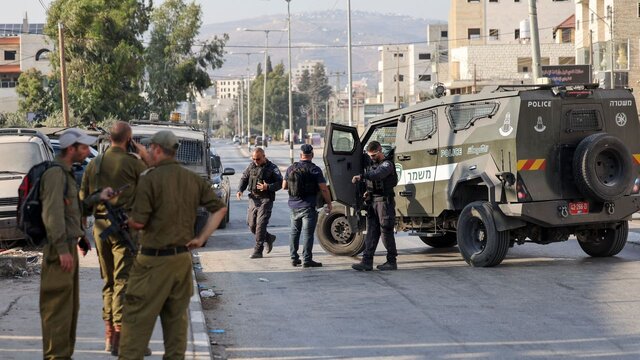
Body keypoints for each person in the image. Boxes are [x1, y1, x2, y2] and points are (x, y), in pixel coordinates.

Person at [117, 130, 227, 359]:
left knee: (135, 328)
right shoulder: (192, 179)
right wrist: (201, 237)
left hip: (152, 263)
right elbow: (220, 209)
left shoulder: (149, 179)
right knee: (176, 332)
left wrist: (127, 219)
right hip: (181, 262)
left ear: (157, 150)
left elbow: (138, 222)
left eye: (149, 148)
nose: (146, 151)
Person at [39, 128, 109, 359]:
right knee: (57, 311)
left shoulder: (66, 173)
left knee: (69, 310)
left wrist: (97, 199)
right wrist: (61, 249)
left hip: (68, 247)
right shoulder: (56, 175)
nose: (88, 151)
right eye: (83, 147)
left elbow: (71, 211)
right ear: (71, 149)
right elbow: (53, 214)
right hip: (58, 252)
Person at [79, 121, 149, 355]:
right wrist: (142, 152)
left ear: (109, 138)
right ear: (128, 139)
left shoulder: (94, 164)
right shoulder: (133, 163)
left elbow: (83, 202)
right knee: (124, 282)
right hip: (124, 229)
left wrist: (82, 233)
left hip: (100, 229)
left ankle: (110, 337)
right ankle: (121, 338)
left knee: (109, 282)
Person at [351, 141, 398, 271]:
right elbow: (373, 180)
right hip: (373, 202)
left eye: (374, 155)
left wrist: (361, 176)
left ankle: (391, 262)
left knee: (386, 232)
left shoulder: (387, 164)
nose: (371, 158)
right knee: (371, 232)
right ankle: (367, 262)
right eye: (370, 155)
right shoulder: (373, 166)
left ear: (380, 150)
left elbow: (378, 175)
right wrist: (368, 192)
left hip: (384, 203)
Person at [283, 144, 332, 268]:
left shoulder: (291, 168)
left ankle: (294, 258)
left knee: (294, 232)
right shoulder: (315, 170)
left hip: (294, 205)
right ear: (312, 155)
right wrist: (329, 203)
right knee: (308, 234)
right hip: (308, 206)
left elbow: (284, 186)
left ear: (300, 155)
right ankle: (307, 260)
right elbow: (324, 189)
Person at [237, 147, 282, 258]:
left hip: (266, 199)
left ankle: (258, 250)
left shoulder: (272, 168)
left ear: (264, 156)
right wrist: (240, 190)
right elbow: (244, 178)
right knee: (252, 225)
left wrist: (268, 187)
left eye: (258, 159)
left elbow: (281, 183)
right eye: (253, 159)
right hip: (253, 198)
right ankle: (268, 238)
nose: (255, 161)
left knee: (260, 225)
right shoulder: (251, 166)